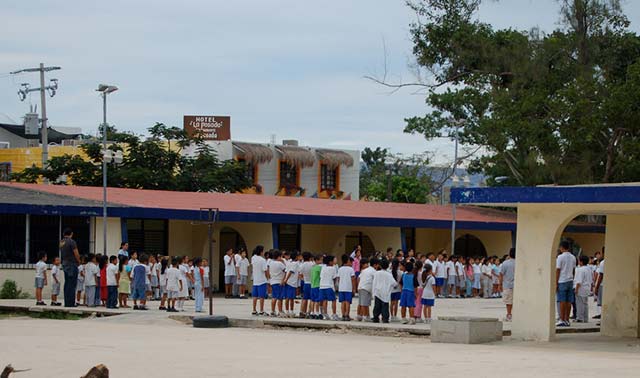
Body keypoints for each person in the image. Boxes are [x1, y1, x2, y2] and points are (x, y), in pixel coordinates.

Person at [556, 241, 576, 327]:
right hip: (570, 280)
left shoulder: (560, 257)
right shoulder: (573, 257)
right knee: (569, 301)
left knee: (562, 301)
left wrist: (556, 282)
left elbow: (558, 270)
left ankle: (562, 319)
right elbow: (574, 270)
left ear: (561, 247)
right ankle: (567, 319)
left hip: (562, 280)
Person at [59, 228, 81, 307]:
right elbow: (76, 253)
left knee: (67, 283)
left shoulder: (62, 242)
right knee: (72, 284)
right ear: (71, 234)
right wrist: (79, 261)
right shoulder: (72, 242)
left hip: (65, 263)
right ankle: (71, 303)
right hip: (72, 263)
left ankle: (67, 302)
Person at [372, 259, 397, 323]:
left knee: (377, 306)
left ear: (380, 266)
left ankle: (375, 317)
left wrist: (373, 291)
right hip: (385, 292)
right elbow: (394, 283)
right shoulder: (389, 274)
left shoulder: (376, 273)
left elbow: (374, 282)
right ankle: (385, 318)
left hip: (377, 291)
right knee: (385, 306)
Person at [251, 245, 269, 316]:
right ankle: (261, 310)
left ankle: (254, 310)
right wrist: (268, 278)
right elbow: (265, 270)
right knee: (262, 296)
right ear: (261, 252)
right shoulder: (262, 260)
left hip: (255, 280)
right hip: (262, 280)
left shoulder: (253, 258)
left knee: (255, 296)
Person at [574, 255, 592, 323]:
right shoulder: (588, 269)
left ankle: (580, 318)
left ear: (581, 262)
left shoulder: (580, 269)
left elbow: (579, 281)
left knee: (579, 304)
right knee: (585, 304)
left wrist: (576, 289)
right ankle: (585, 318)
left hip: (581, 289)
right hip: (587, 288)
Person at [337, 255, 356, 321]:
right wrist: (354, 288)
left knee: (342, 302)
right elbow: (353, 279)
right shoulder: (351, 269)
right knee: (347, 302)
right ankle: (347, 314)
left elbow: (338, 279)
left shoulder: (340, 269)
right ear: (348, 261)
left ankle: (343, 315)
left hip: (341, 288)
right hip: (348, 288)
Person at [320, 255, 338, 320]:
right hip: (329, 286)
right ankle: (334, 314)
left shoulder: (323, 268)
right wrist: (335, 286)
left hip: (322, 286)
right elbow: (334, 278)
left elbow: (321, 276)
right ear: (330, 262)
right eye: (333, 260)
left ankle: (325, 314)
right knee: (333, 300)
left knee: (325, 300)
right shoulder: (333, 268)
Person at [356, 257, 375, 322]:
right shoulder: (372, 270)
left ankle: (359, 315)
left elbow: (358, 278)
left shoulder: (363, 270)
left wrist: (359, 286)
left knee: (361, 303)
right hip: (366, 288)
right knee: (365, 303)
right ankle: (365, 316)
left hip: (361, 287)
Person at [268, 250, 286, 317]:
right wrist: (283, 280)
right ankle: (280, 311)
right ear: (279, 257)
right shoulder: (280, 264)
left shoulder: (271, 263)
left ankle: (272, 311)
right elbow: (285, 270)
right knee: (280, 298)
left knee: (274, 297)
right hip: (279, 282)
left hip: (273, 281)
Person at [283, 251, 300, 317]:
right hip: (292, 282)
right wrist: (286, 279)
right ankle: (291, 311)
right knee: (291, 298)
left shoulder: (289, 262)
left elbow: (286, 271)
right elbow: (290, 272)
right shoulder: (295, 264)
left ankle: (287, 311)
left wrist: (285, 280)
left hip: (288, 282)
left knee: (287, 297)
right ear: (296, 257)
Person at [500, 248, 516, 321]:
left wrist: (500, 284)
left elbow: (501, 274)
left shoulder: (505, 263)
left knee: (509, 301)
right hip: (517, 285)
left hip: (507, 285)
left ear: (509, 254)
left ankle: (509, 314)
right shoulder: (519, 262)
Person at [298, 251, 314, 318]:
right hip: (312, 283)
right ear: (310, 257)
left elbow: (300, 275)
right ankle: (309, 312)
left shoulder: (302, 265)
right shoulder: (312, 264)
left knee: (304, 298)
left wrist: (304, 279)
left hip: (306, 283)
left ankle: (302, 311)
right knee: (312, 299)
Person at [309, 254, 323, 319]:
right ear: (317, 260)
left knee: (312, 300)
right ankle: (317, 312)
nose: (322, 261)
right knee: (317, 300)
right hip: (317, 285)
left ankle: (312, 312)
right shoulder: (319, 268)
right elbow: (321, 276)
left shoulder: (312, 267)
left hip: (312, 285)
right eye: (321, 260)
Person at [593, 251, 605, 322]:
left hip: (602, 285)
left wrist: (596, 287)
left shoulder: (603, 263)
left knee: (602, 303)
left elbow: (600, 275)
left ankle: (602, 320)